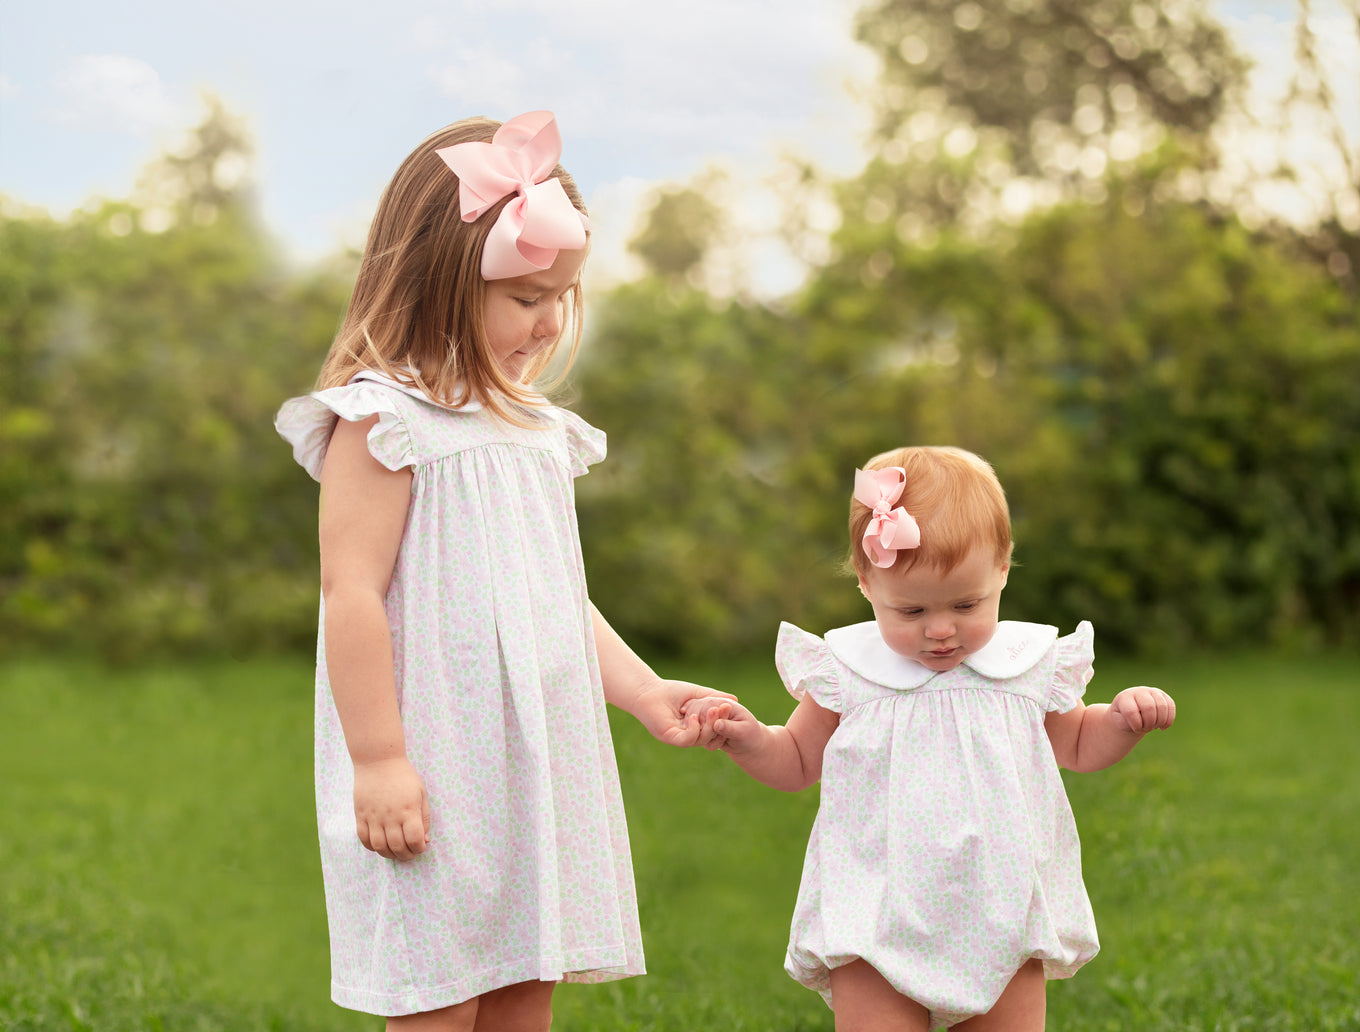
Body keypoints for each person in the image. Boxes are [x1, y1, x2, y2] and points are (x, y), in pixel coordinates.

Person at [275, 110, 730, 1032]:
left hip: (532, 763)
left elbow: (553, 597)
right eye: (526, 295)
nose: (551, 318)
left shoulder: (533, 430)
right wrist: (379, 760)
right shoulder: (386, 420)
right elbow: (349, 592)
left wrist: (642, 691)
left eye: (563, 293)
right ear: (437, 280)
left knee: (527, 983)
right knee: (438, 987)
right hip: (435, 759)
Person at [687, 446, 1176, 1032]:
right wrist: (747, 740)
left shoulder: (1025, 667)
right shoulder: (850, 672)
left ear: (1002, 567)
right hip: (876, 906)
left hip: (1001, 903)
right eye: (912, 609)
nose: (941, 630)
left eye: (967, 605)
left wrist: (1120, 721)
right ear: (867, 582)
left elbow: (1076, 745)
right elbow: (794, 761)